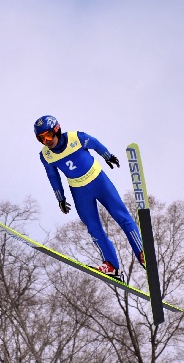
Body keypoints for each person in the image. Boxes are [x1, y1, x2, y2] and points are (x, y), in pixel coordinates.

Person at [34, 115, 145, 280]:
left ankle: (143, 253)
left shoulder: (76, 138)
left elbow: (95, 144)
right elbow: (53, 176)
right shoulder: (46, 155)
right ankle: (112, 266)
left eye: (48, 135)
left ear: (57, 130)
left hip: (98, 181)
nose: (47, 141)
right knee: (93, 228)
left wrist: (108, 156)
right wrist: (61, 198)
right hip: (78, 190)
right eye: (41, 138)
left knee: (122, 217)